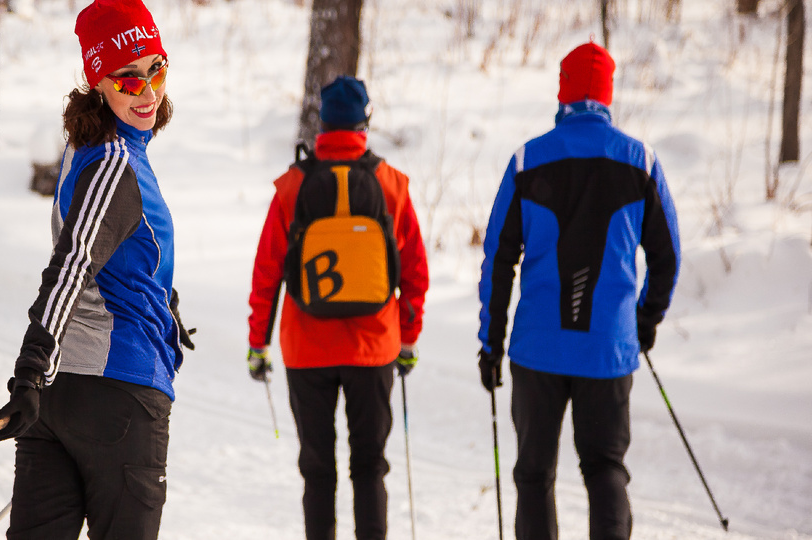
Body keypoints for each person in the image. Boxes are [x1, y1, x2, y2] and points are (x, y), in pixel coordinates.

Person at [0, 1, 193, 538]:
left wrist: (162, 306)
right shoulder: (114, 163)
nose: (148, 92)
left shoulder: (86, 149)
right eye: (129, 80)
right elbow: (74, 262)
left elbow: (107, 256)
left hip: (62, 399)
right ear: (98, 81)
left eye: (157, 69)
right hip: (115, 398)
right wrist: (31, 366)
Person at [476, 41, 681, 540]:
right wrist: (644, 320)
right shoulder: (642, 162)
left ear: (563, 90)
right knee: (605, 469)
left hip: (538, 349)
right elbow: (667, 256)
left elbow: (498, 260)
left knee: (533, 476)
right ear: (607, 94)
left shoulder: (529, 160)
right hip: (607, 349)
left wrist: (491, 344)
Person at [246, 76, 429, 540]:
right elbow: (414, 273)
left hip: (306, 349)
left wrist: (257, 345)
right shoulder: (392, 184)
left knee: (317, 468)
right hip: (373, 348)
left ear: (322, 123)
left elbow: (267, 272)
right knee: (370, 467)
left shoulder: (290, 186)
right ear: (365, 121)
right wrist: (407, 340)